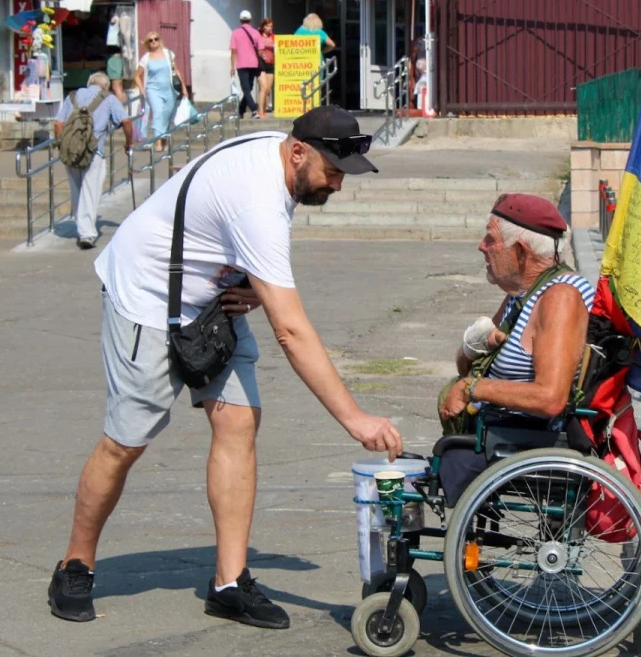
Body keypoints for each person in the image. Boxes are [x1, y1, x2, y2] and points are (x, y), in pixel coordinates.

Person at [47, 106, 403, 629]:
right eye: (332, 174)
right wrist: (354, 418)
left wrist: (252, 287)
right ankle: (75, 565)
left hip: (210, 300)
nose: (337, 187)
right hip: (144, 296)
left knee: (238, 418)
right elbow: (292, 331)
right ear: (299, 152)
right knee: (126, 442)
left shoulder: (279, 157)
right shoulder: (258, 199)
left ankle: (229, 583)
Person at [437, 194, 594, 505]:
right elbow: (464, 364)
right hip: (504, 431)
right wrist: (474, 341)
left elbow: (550, 398)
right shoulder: (522, 294)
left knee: (449, 459)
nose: (482, 246)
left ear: (521, 252)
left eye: (491, 239)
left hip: (530, 440)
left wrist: (473, 389)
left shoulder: (559, 299)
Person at [54, 71, 134, 250]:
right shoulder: (109, 98)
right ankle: (87, 234)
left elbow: (58, 124)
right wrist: (129, 142)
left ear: (89, 82)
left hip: (70, 152)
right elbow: (126, 121)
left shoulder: (73, 96)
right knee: (90, 191)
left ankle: (81, 223)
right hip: (93, 151)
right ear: (105, 86)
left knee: (77, 190)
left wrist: (62, 145)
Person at [135, 32, 185, 153]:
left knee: (167, 116)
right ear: (147, 43)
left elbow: (176, 70)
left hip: (169, 89)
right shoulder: (146, 58)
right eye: (150, 40)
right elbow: (137, 75)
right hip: (153, 90)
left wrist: (183, 87)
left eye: (156, 39)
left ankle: (164, 140)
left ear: (159, 40)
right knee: (158, 113)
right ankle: (158, 142)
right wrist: (142, 89)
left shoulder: (168, 54)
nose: (153, 42)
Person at [229, 10, 263, 120]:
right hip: (253, 63)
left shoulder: (235, 33)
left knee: (246, 88)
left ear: (240, 20)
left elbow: (234, 51)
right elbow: (260, 50)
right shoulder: (256, 32)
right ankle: (241, 110)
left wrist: (232, 67)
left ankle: (253, 109)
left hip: (242, 64)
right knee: (249, 87)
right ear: (250, 20)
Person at [256, 18, 275, 120]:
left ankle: (264, 109)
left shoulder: (273, 37)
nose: (269, 28)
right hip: (261, 63)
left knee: (268, 89)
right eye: (267, 26)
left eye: (271, 26)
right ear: (263, 26)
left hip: (271, 63)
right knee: (263, 87)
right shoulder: (259, 36)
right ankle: (260, 111)